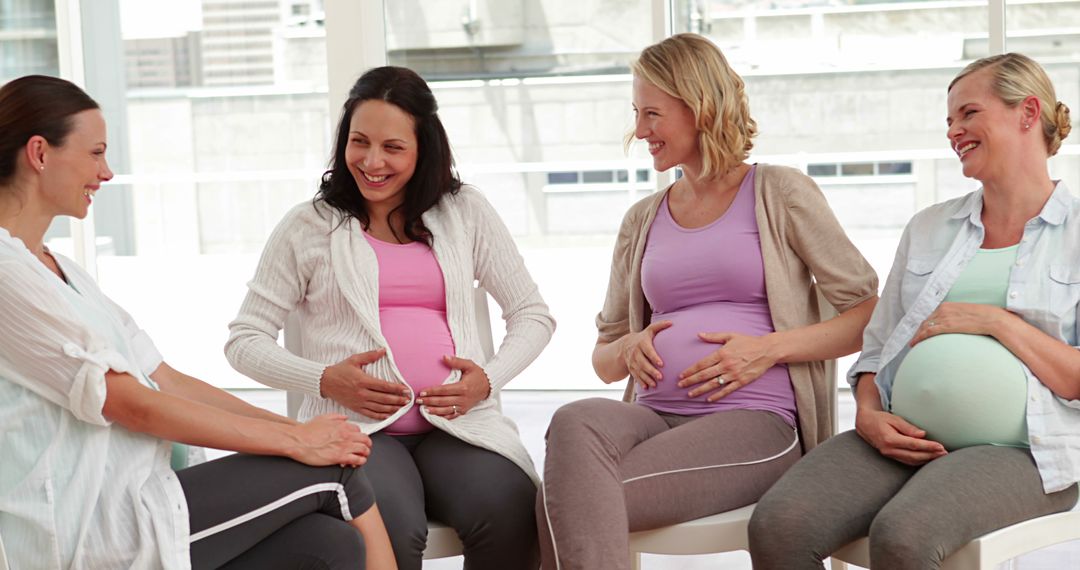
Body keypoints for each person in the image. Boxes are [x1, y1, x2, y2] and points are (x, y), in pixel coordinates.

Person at [0, 75, 396, 570]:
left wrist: (306, 431)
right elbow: (132, 405)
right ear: (39, 153)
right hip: (99, 527)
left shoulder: (60, 271)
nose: (106, 172)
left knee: (329, 544)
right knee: (339, 476)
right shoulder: (6, 272)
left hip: (146, 493)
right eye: (95, 153)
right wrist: (299, 442)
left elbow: (165, 380)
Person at [536, 33, 879, 569]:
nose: (640, 130)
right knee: (574, 420)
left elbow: (867, 313)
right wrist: (628, 347)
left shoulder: (780, 193)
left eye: (652, 113)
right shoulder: (642, 219)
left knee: (569, 500)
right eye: (637, 112)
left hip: (754, 419)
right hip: (653, 415)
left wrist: (767, 350)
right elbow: (603, 360)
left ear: (701, 107)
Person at [748, 53, 1080, 570]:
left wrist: (996, 322)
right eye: (949, 121)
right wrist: (868, 412)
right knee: (779, 525)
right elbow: (879, 347)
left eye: (969, 113)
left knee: (904, 536)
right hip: (899, 434)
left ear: (1028, 113)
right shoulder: (928, 228)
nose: (954, 131)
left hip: (1025, 450)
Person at [225, 65, 555, 570]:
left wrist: (485, 380)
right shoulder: (307, 226)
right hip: (360, 433)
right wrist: (324, 379)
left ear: (425, 148)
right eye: (360, 142)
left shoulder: (465, 212)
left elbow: (532, 315)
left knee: (510, 510)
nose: (372, 161)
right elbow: (244, 340)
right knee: (388, 532)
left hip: (459, 426)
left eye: (393, 148)